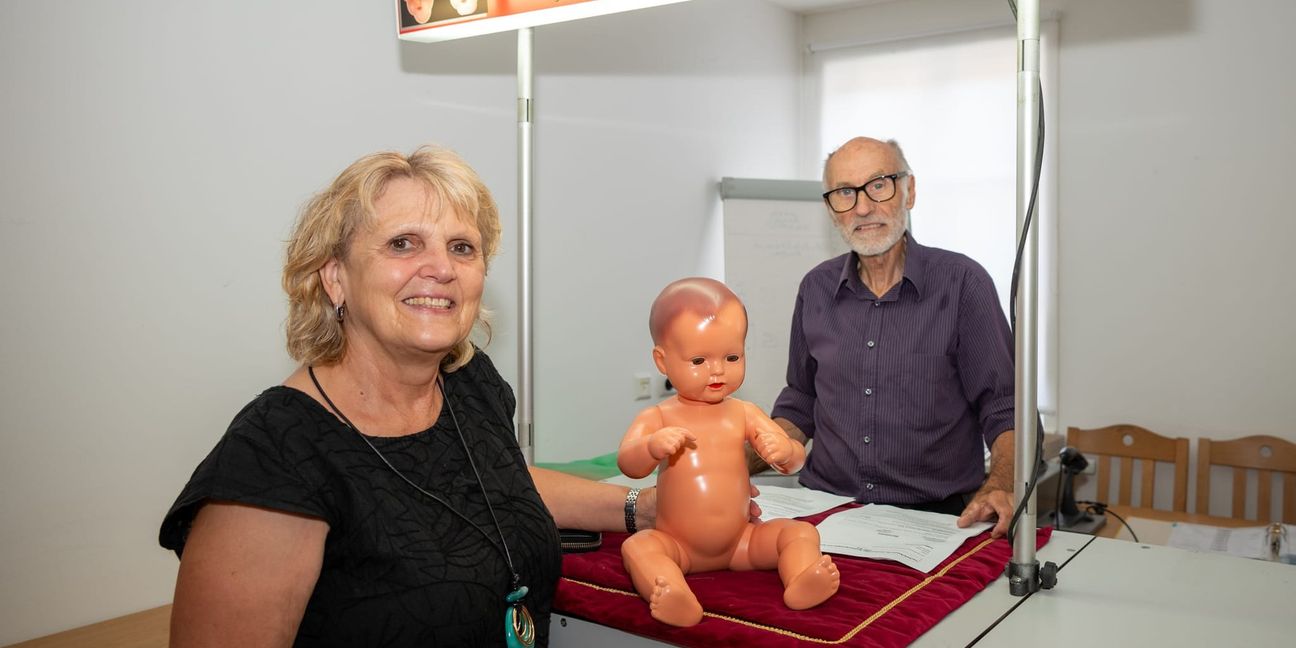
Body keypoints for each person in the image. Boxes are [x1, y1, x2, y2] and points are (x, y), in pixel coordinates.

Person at [159, 145, 657, 647]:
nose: (441, 268)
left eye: (462, 247)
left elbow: (500, 482)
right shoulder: (276, 456)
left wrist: (641, 507)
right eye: (402, 243)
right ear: (336, 278)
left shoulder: (470, 383)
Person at [751, 136, 1017, 537]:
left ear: (909, 191)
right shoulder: (816, 288)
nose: (862, 206)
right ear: (830, 209)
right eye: (845, 192)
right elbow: (802, 400)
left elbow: (1005, 406)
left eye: (878, 185)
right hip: (825, 511)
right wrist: (729, 461)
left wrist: (1001, 483)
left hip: (935, 519)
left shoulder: (963, 283)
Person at [618, 278, 840, 628]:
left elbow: (795, 458)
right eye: (698, 360)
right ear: (662, 360)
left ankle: (801, 578)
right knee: (639, 547)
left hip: (741, 540)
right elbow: (628, 463)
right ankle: (674, 592)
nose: (718, 369)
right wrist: (650, 446)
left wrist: (785, 450)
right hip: (678, 544)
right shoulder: (658, 416)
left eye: (732, 356)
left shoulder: (743, 412)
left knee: (799, 533)